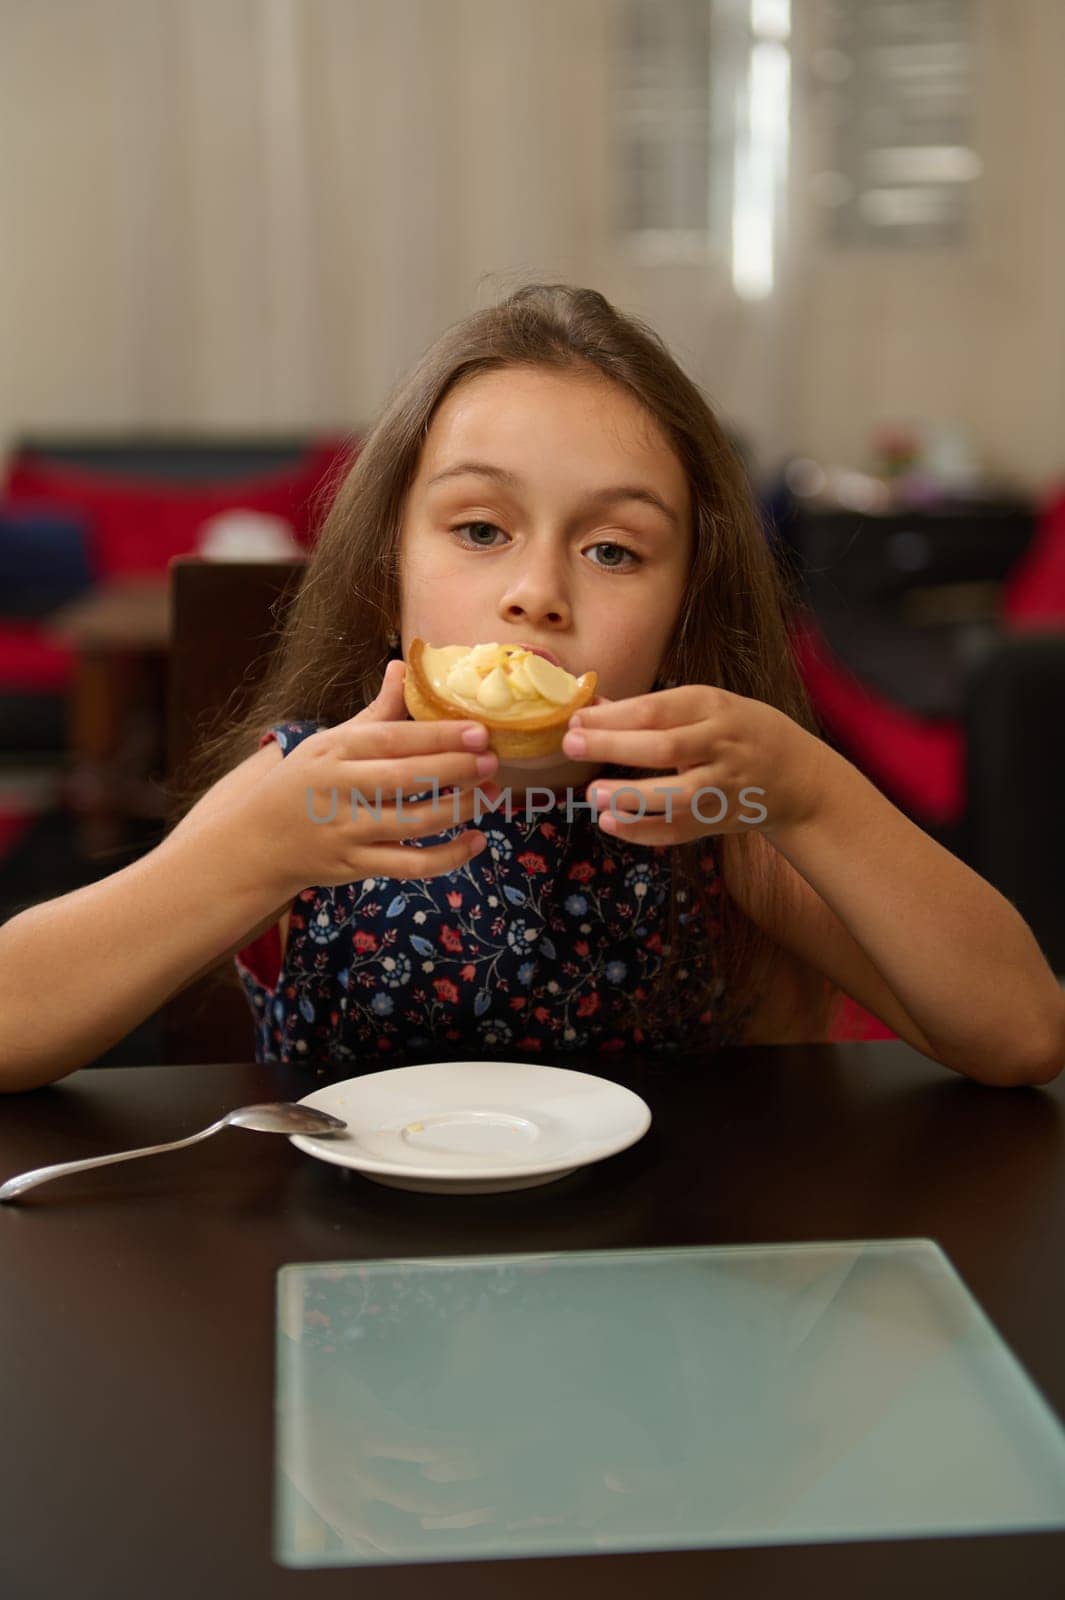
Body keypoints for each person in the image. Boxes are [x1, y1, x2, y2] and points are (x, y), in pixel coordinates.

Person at [1, 283, 1062, 1093]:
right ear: (389, 580)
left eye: (613, 550)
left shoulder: (720, 810)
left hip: (656, 1272)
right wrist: (247, 854)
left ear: (682, 612)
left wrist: (811, 787)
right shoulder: (313, 791)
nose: (536, 594)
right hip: (362, 1277)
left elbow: (1021, 1035)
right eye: (479, 530)